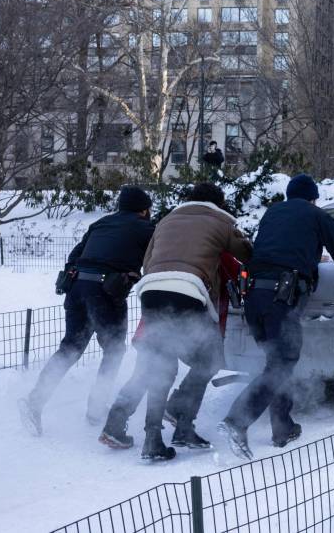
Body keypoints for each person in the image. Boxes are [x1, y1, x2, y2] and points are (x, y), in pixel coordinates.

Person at [99, 183, 252, 461]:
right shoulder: (222, 220)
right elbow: (248, 256)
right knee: (209, 361)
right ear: (218, 204)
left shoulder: (165, 220)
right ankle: (182, 425)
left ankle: (145, 436)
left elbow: (147, 262)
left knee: (157, 368)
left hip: (151, 293)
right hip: (188, 294)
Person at [219, 174, 334, 460]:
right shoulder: (316, 215)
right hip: (280, 298)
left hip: (254, 298)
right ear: (313, 197)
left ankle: (282, 427)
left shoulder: (272, 214)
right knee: (282, 363)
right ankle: (237, 420)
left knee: (276, 362)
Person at [18, 186, 155, 436]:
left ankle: (35, 401)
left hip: (77, 287)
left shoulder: (102, 223)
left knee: (71, 347)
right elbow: (157, 257)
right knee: (114, 350)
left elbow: (75, 254)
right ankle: (95, 408)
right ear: (144, 209)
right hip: (106, 291)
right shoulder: (146, 228)